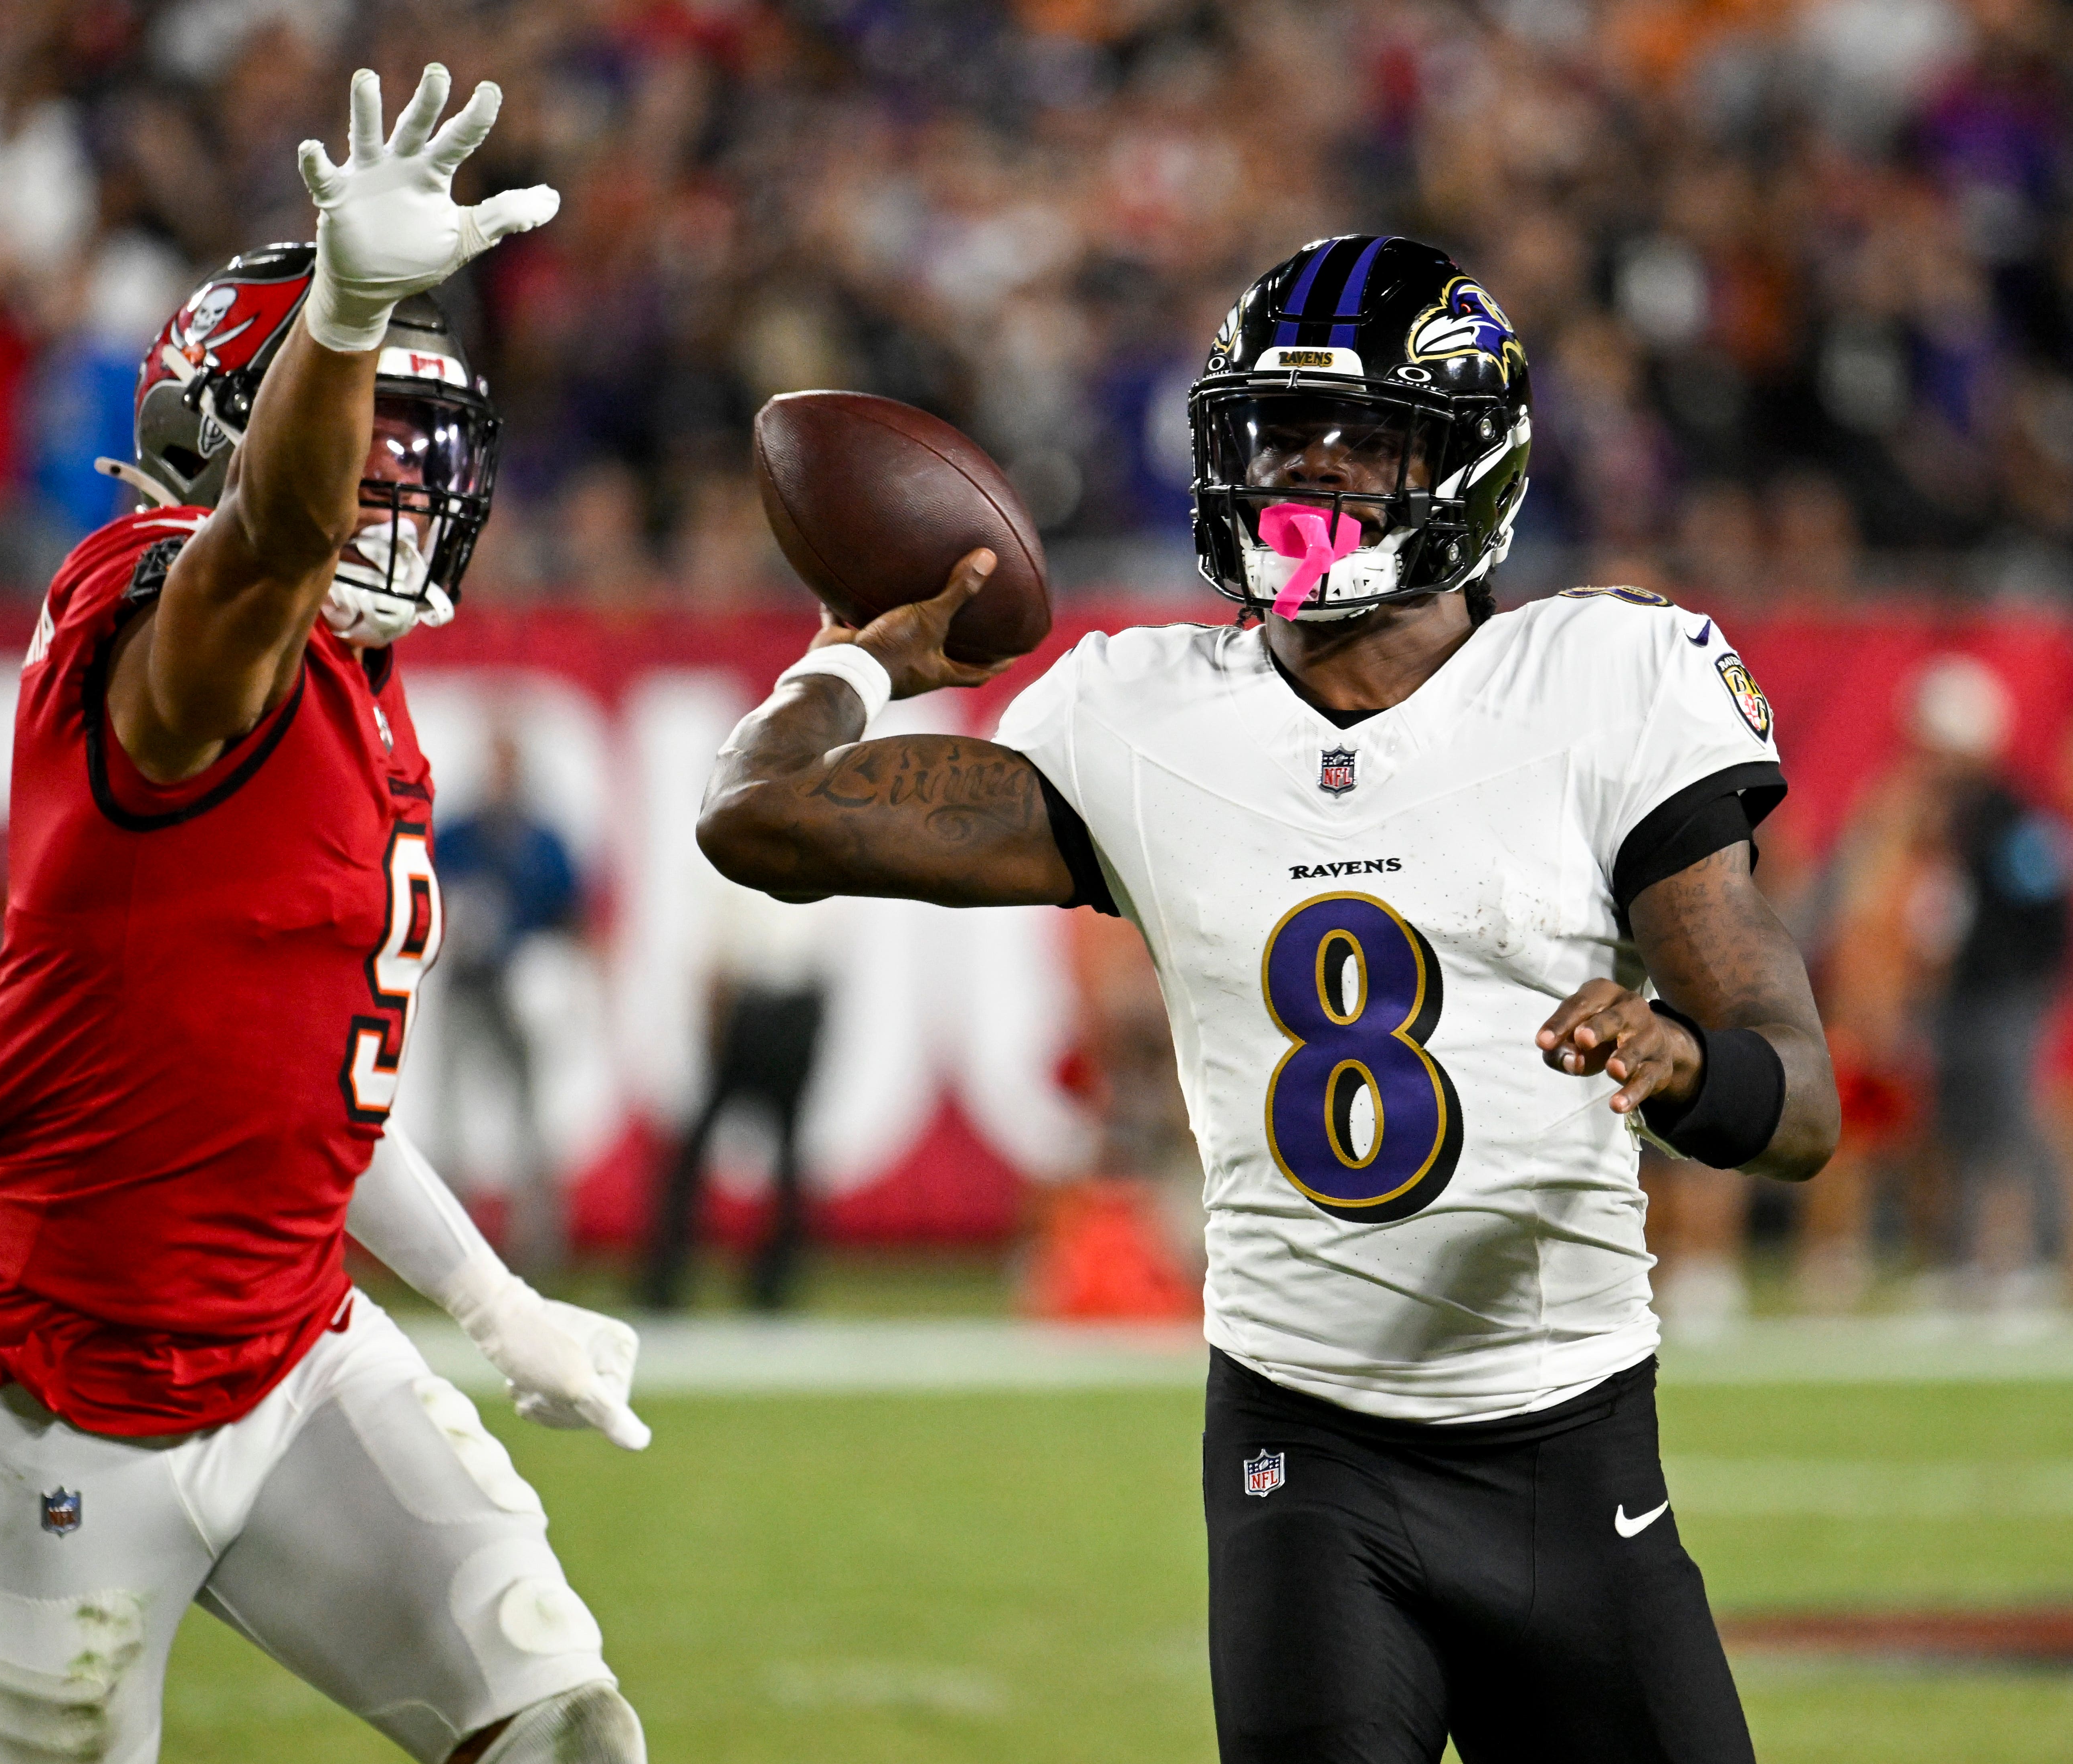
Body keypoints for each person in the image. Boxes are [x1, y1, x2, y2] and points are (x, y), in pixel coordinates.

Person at [697, 236, 1838, 1763]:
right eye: (1273, 432)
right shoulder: (1145, 717)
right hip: (1302, 1456)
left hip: (1565, 1447)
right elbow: (756, 823)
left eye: (1359, 437)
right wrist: (854, 664)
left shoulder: (1604, 685)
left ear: (1466, 461)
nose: (1308, 471)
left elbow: (1801, 1105)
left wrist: (1681, 1060)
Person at [0, 67, 647, 1764]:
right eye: (363, 437)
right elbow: (263, 546)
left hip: (293, 1353)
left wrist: (493, 1305)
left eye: (424, 449)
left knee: (567, 1732)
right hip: (59, 1381)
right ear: (232, 430)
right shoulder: (158, 610)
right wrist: (338, 309)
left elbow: (304, 1097)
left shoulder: (362, 697)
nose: (401, 489)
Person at [1909, 655, 2070, 1308]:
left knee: (2006, 1123)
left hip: (2002, 993)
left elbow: (2043, 903)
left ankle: (2018, 1257)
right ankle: (1971, 1256)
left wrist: (2026, 980)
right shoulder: (1953, 814)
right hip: (1962, 993)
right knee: (1960, 1124)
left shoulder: (2007, 813)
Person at [636, 876, 835, 1312]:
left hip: (785, 1008)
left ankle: (770, 1279)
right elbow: (721, 961)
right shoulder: (753, 863)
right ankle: (674, 1275)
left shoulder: (794, 866)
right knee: (747, 1151)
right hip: (757, 1009)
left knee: (785, 1155)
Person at [433, 724, 583, 1280]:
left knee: (532, 1121)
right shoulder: (459, 832)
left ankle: (539, 1248)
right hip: (467, 984)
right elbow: (424, 889)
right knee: (451, 1116)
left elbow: (572, 913)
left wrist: (553, 972)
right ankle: (447, 1248)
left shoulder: (540, 839)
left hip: (521, 992)